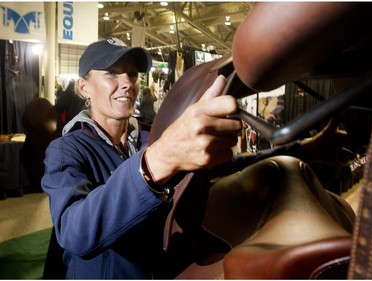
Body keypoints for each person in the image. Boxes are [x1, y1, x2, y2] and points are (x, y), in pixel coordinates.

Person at [41, 37, 241, 279]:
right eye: (112, 74)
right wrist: (153, 165)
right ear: (84, 87)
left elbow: (216, 170)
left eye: (132, 74)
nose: (127, 83)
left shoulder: (155, 135)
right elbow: (75, 231)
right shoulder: (67, 149)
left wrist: (288, 150)